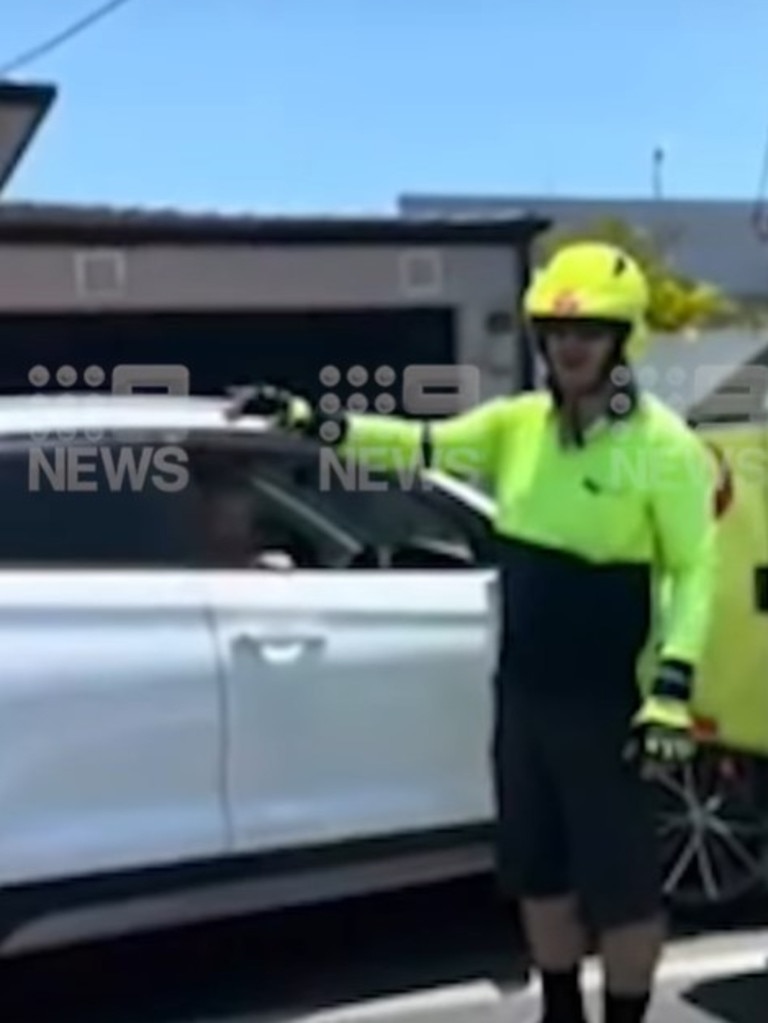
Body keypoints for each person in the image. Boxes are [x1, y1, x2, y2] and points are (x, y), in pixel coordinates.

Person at [239, 242, 717, 1023]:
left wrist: (673, 686)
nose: (569, 347)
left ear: (622, 342)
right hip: (524, 692)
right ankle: (560, 1010)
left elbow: (693, 570)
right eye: (557, 334)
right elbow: (419, 445)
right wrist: (313, 421)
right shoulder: (517, 424)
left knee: (625, 890)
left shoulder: (663, 447)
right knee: (539, 875)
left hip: (612, 705)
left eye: (590, 333)